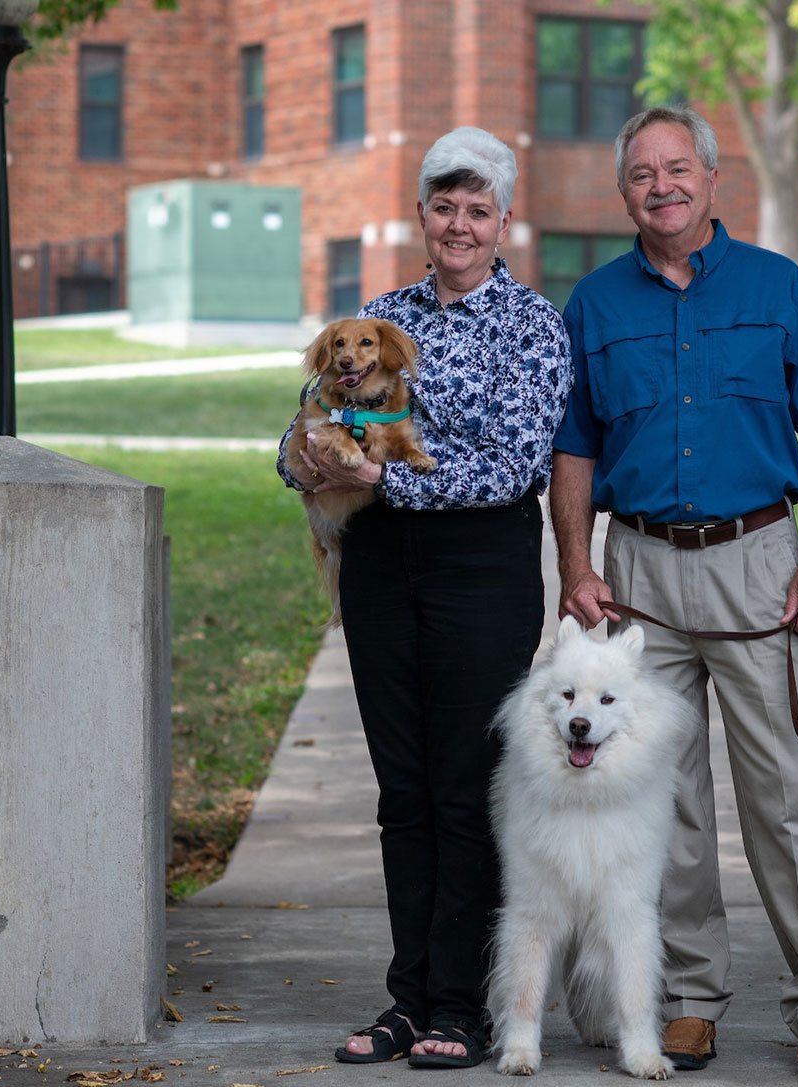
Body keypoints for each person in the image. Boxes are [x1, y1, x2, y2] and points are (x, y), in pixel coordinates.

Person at [550, 105, 798, 1080]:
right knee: (663, 805)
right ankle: (687, 999)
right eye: (642, 172)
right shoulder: (595, 304)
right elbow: (574, 450)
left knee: (791, 797)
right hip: (638, 578)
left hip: (761, 565)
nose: (661, 185)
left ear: (712, 179)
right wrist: (575, 565)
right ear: (624, 191)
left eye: (677, 167)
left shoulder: (779, 289)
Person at [277, 125, 572, 1069]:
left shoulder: (533, 326)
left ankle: (463, 1002)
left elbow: (515, 463)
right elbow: (307, 429)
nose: (459, 223)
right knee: (402, 790)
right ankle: (408, 996)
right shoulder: (376, 315)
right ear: (421, 215)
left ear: (504, 222)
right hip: (379, 567)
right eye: (444, 206)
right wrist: (298, 461)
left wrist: (379, 477)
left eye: (477, 209)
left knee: (463, 785)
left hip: (479, 570)